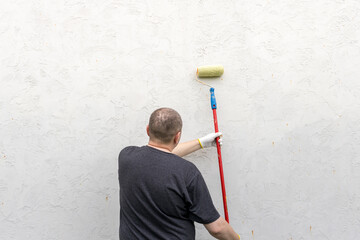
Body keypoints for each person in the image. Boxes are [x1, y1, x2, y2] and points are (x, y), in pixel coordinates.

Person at [118, 107, 240, 239]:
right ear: (177, 137)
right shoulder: (187, 173)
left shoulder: (126, 157)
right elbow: (217, 229)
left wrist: (201, 143)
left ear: (148, 130)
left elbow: (156, 156)